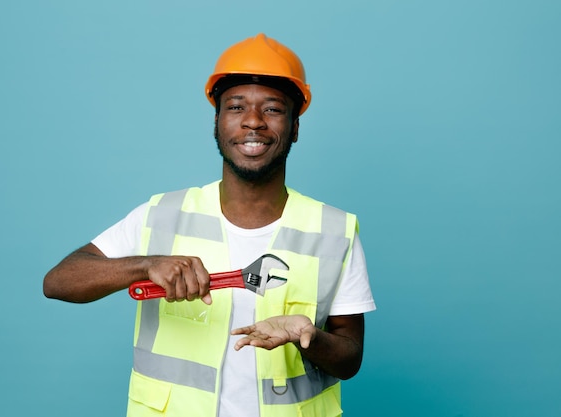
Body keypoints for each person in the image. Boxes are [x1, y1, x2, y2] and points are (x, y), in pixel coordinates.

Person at [44, 33, 376, 417]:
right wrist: (144, 264)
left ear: (295, 127)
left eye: (272, 109)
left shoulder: (335, 231)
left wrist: (308, 337)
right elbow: (59, 282)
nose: (253, 122)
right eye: (236, 107)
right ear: (217, 122)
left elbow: (349, 359)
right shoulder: (160, 215)